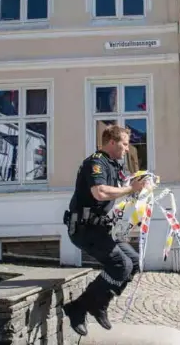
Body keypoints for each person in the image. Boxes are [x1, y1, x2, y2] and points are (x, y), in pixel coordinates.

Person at [62, 126, 147, 336]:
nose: (127, 149)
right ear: (111, 142)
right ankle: (81, 308)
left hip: (101, 227)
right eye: (124, 144)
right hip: (84, 228)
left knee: (133, 261)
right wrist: (130, 189)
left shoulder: (113, 165)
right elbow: (99, 193)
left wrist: (141, 187)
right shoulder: (95, 162)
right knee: (120, 264)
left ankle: (96, 304)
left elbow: (121, 188)